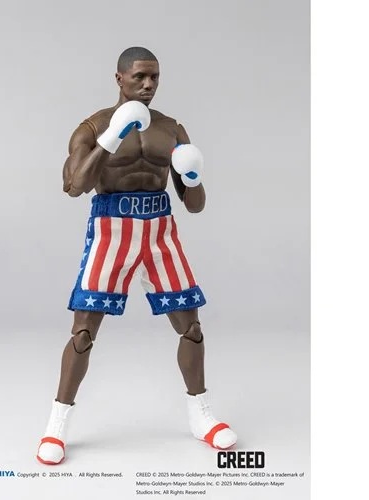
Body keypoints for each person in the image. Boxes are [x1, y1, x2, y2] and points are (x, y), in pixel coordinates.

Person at [37, 47, 237, 465]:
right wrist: (112, 136)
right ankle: (56, 428)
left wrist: (192, 174)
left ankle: (201, 417)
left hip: (160, 232)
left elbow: (195, 205)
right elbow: (74, 186)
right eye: (140, 77)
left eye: (155, 77)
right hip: (112, 230)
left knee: (191, 327)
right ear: (119, 78)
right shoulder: (93, 126)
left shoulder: (171, 128)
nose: (148, 85)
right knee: (83, 332)